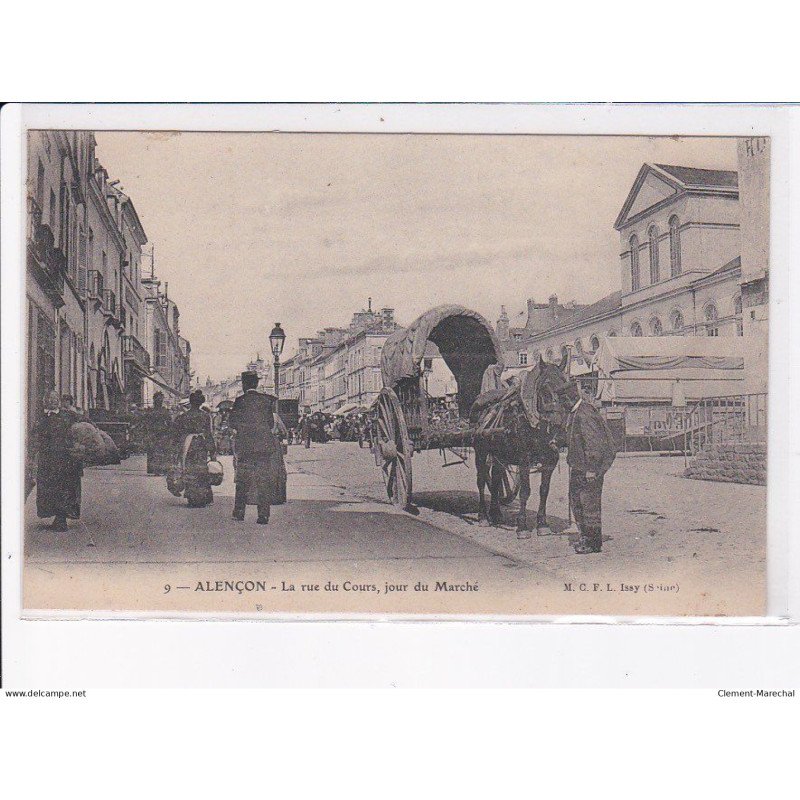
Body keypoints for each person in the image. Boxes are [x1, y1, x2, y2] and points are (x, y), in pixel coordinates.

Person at [558, 381, 617, 554]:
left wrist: (591, 468)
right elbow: (576, 437)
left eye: (562, 400)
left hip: (588, 468)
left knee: (588, 504)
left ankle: (592, 543)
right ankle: (585, 537)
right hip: (579, 466)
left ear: (569, 398)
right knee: (577, 501)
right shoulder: (576, 412)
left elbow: (593, 443)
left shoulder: (584, 414)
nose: (561, 405)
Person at [229, 371, 282, 524]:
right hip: (263, 447)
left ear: (244, 384)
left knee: (242, 481)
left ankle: (239, 513)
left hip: (245, 447)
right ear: (257, 384)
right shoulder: (266, 401)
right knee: (263, 481)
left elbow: (232, 422)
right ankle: (263, 515)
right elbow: (270, 423)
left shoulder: (239, 401)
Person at [33, 391, 83, 531]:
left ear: (59, 401)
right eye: (50, 398)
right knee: (49, 489)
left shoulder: (68, 415)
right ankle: (58, 518)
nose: (53, 401)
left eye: (55, 398)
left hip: (65, 459)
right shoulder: (42, 418)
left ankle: (61, 520)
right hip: (48, 460)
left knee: (64, 488)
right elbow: (35, 435)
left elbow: (84, 424)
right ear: (45, 401)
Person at [172, 390, 216, 507]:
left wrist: (177, 448)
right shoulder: (205, 416)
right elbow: (209, 434)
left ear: (190, 403)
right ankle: (203, 496)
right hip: (201, 444)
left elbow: (176, 434)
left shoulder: (183, 417)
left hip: (188, 444)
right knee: (201, 469)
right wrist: (212, 451)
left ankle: (191, 496)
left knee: (189, 469)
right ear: (200, 403)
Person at [143, 391, 172, 475]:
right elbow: (146, 422)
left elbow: (169, 422)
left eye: (160, 399)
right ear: (154, 400)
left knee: (161, 450)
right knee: (153, 450)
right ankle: (155, 469)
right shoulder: (151, 411)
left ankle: (160, 469)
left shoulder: (163, 411)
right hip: (153, 433)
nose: (159, 401)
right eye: (158, 399)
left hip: (162, 433)